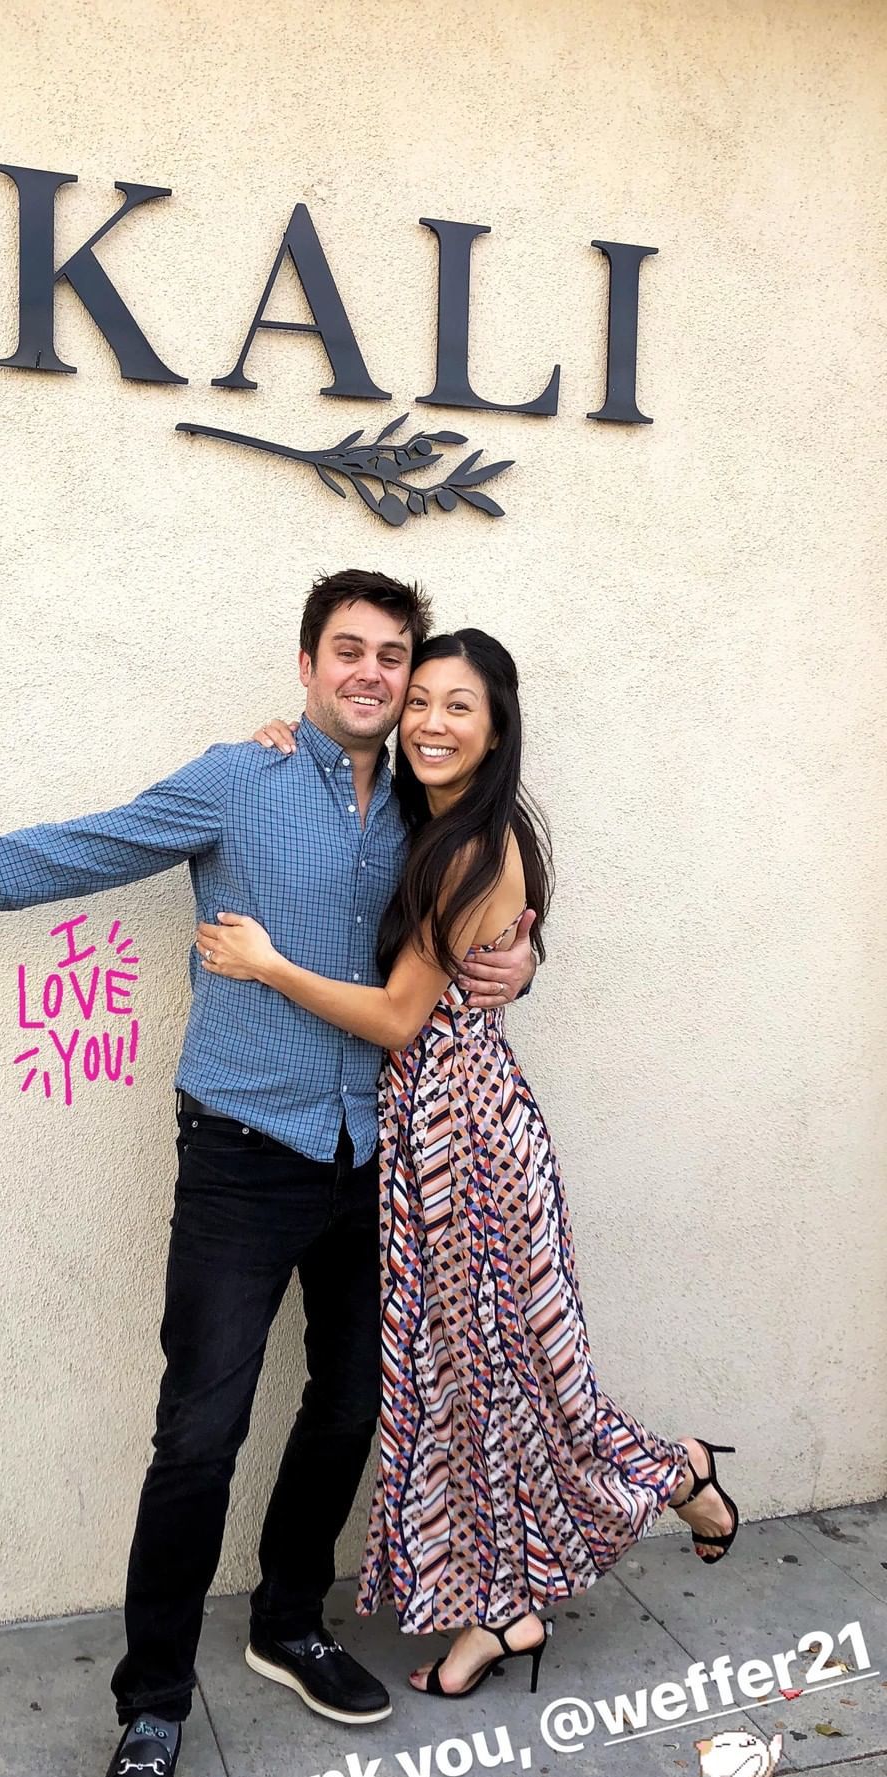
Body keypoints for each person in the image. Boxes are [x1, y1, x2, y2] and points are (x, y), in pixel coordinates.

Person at [0, 572, 537, 1777]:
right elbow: (70, 850)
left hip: (377, 1158)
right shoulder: (237, 779)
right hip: (244, 1154)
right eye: (350, 652)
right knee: (198, 1433)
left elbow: (489, 907)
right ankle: (151, 1713)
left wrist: (527, 958)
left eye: (394, 657)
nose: (374, 675)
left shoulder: (431, 800)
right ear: (307, 666)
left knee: (352, 1404)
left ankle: (290, 1620)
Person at [200, 627, 740, 1702]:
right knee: (467, 1383)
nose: (431, 723)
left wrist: (265, 964)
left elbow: (401, 1017)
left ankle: (672, 1474)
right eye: (421, 702)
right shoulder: (436, 825)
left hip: (469, 1146)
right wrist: (286, 747)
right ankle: (507, 1607)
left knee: (512, 1380)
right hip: (432, 1135)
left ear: (496, 733)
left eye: (460, 708)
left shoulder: (469, 850)